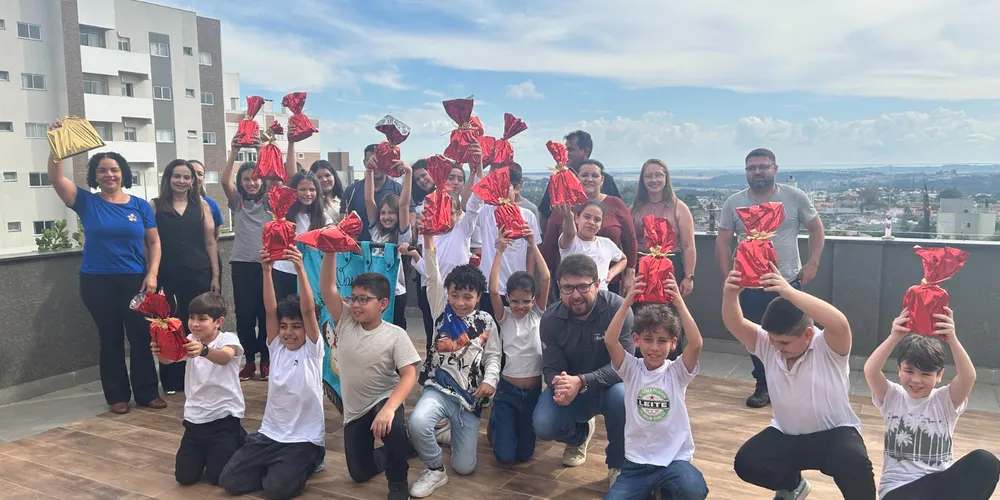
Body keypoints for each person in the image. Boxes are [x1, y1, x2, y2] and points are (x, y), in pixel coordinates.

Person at [723, 264, 875, 500]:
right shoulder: (768, 344)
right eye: (773, 340)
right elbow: (736, 324)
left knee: (856, 464)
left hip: (833, 435)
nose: (776, 347)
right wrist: (730, 294)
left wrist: (788, 291)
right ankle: (793, 486)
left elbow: (840, 322)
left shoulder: (830, 345)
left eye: (784, 343)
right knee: (747, 462)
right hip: (787, 435)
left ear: (808, 334)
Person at [45, 122, 164, 414]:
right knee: (110, 338)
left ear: (123, 173)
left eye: (113, 169)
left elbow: (154, 243)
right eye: (102, 170)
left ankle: (147, 392)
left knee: (140, 336)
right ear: (95, 176)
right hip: (97, 281)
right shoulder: (85, 201)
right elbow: (55, 177)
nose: (109, 174)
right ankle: (117, 396)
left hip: (135, 280)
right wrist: (57, 143)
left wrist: (151, 274)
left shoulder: (139, 205)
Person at [715, 148, 825, 408]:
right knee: (755, 338)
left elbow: (816, 228)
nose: (757, 171)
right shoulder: (734, 202)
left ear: (775, 169)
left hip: (787, 282)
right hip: (750, 285)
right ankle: (763, 385)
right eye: (751, 167)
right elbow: (722, 242)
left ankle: (796, 384)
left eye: (763, 166)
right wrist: (727, 280)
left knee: (796, 335)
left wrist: (812, 263)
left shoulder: (795, 197)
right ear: (746, 172)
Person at [218, 247, 326, 500]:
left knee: (276, 491)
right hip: (270, 435)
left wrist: (300, 269)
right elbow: (269, 311)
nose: (289, 332)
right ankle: (278, 465)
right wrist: (266, 270)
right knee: (230, 481)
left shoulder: (312, 350)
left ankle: (312, 459)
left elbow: (309, 311)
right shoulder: (276, 346)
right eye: (285, 326)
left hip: (304, 438)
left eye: (296, 327)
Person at [864, 310, 1000, 500]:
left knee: (985, 462)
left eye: (926, 374)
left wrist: (952, 338)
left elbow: (968, 377)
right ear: (899, 370)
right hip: (899, 490)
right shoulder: (892, 397)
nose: (916, 380)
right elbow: (870, 371)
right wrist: (894, 336)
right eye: (909, 371)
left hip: (939, 485)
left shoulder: (945, 400)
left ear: (939, 376)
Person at [407, 228, 500, 498]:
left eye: (467, 297)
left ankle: (447, 431)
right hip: (438, 387)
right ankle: (435, 468)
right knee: (417, 423)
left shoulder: (486, 322)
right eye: (455, 294)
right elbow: (433, 273)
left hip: (468, 399)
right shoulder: (440, 308)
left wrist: (489, 380)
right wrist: (427, 239)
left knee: (465, 467)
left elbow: (493, 356)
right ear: (447, 292)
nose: (460, 302)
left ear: (478, 297)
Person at [319, 258, 420, 500]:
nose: (355, 304)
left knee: (392, 427)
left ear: (383, 303)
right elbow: (327, 288)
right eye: (353, 298)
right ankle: (404, 448)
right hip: (354, 411)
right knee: (359, 473)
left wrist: (389, 409)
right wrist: (330, 251)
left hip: (382, 400)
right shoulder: (344, 322)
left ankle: (398, 480)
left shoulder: (395, 335)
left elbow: (409, 375)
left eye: (364, 299)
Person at [602, 276, 708, 500]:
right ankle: (652, 491)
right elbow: (610, 341)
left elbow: (696, 343)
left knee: (693, 490)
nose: (654, 347)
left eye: (662, 341)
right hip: (636, 464)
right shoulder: (631, 368)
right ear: (636, 340)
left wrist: (679, 302)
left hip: (674, 461)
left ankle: (662, 491)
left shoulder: (677, 372)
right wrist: (627, 302)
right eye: (648, 339)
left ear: (673, 343)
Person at [532, 254, 633, 485]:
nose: (575, 295)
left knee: (622, 397)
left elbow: (624, 365)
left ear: (597, 285)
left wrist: (583, 380)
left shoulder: (618, 309)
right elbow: (551, 366)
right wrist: (561, 383)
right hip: (573, 389)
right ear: (559, 287)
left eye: (583, 286)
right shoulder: (550, 319)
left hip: (610, 385)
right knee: (544, 424)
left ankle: (618, 463)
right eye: (568, 288)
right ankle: (579, 435)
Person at [152, 292, 246, 487]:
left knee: (216, 478)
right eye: (191, 318)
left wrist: (203, 350)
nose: (194, 323)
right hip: (195, 419)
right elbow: (170, 360)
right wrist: (160, 351)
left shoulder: (228, 338)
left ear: (218, 322)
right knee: (184, 477)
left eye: (202, 319)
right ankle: (208, 453)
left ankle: (241, 439)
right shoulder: (188, 338)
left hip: (223, 418)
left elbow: (225, 357)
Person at [151, 159, 220, 395]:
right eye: (177, 176)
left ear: (193, 181)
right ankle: (172, 380)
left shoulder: (202, 205)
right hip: (167, 274)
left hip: (199, 273)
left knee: (201, 323)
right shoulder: (156, 206)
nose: (181, 181)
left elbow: (211, 241)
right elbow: (149, 242)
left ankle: (202, 374)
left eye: (186, 177)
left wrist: (216, 274)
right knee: (170, 324)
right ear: (168, 179)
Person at [486, 225, 549, 465]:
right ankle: (497, 421)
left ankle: (506, 427)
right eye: (515, 301)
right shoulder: (505, 317)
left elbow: (545, 278)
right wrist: (500, 251)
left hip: (532, 393)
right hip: (508, 392)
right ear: (508, 299)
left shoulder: (538, 314)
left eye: (526, 301)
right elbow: (492, 289)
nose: (520, 306)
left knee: (525, 455)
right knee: (504, 456)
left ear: (534, 299)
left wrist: (533, 243)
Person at [541, 159, 636, 295]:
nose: (589, 179)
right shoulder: (565, 206)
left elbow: (630, 240)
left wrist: (628, 272)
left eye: (595, 176)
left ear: (602, 180)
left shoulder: (616, 204)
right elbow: (549, 245)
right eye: (584, 175)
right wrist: (546, 278)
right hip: (570, 285)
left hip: (606, 285)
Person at [221, 135, 271, 382]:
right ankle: (249, 360)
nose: (252, 182)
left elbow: (274, 177)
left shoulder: (269, 202)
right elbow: (223, 180)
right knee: (245, 315)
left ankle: (266, 360)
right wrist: (234, 152)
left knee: (266, 314)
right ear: (241, 182)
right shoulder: (238, 203)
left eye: (256, 178)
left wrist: (261, 150)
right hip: (241, 265)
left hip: (266, 265)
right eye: (246, 179)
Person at [470, 162, 543, 319]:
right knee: (490, 335)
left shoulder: (527, 215)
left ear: (516, 188)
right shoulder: (484, 212)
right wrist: (479, 169)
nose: (501, 191)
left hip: (516, 289)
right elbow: (467, 207)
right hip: (490, 286)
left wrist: (528, 279)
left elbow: (532, 251)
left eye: (506, 186)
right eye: (497, 186)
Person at [631, 159, 696, 297]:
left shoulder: (679, 208)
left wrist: (688, 277)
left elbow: (688, 245)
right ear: (642, 180)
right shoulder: (634, 209)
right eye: (648, 176)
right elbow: (628, 243)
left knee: (669, 313)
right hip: (641, 268)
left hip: (671, 268)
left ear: (666, 178)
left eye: (659, 175)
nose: (654, 180)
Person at [364, 159, 413, 329]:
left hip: (396, 293)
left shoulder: (402, 235)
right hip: (374, 291)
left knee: (394, 329)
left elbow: (404, 204)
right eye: (383, 213)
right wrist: (369, 171)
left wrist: (408, 173)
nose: (386, 216)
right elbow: (369, 200)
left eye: (391, 212)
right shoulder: (376, 232)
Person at [538, 130, 621, 226]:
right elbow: (545, 214)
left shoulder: (606, 180)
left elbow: (617, 211)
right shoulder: (558, 180)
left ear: (585, 150)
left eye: (570, 150)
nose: (565, 153)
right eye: (564, 150)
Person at [272, 172, 332, 300]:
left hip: (310, 273)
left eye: (312, 189)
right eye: (302, 189)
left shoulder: (323, 217)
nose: (308, 193)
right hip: (284, 272)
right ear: (294, 191)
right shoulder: (283, 215)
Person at [557, 201, 626, 292]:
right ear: (577, 218)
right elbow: (570, 233)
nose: (591, 222)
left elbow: (623, 259)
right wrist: (568, 217)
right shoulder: (570, 241)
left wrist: (611, 273)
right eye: (587, 217)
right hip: (574, 295)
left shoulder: (606, 243)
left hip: (601, 295)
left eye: (597, 219)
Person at [342, 144, 403, 241]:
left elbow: (409, 220)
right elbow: (343, 225)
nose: (375, 165)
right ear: (364, 162)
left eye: (379, 161)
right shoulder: (351, 190)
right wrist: (357, 249)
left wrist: (408, 172)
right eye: (371, 161)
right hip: (358, 252)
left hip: (395, 247)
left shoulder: (400, 190)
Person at [189, 159, 224, 239]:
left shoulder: (211, 204)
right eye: (191, 172)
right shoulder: (166, 204)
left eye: (200, 174)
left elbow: (214, 236)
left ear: (204, 178)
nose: (196, 176)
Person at [309, 159, 346, 225]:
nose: (324, 180)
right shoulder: (312, 203)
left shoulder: (345, 198)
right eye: (319, 177)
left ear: (334, 176)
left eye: (327, 175)